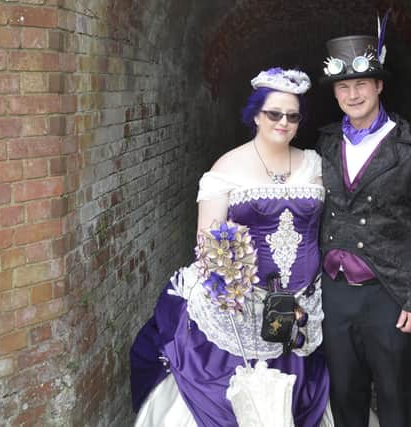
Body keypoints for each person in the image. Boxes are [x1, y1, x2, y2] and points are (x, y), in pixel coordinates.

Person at [130, 67, 333, 427]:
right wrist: (231, 288)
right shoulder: (227, 167)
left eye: (292, 116)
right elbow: (208, 240)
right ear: (256, 114)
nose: (283, 122)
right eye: (274, 114)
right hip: (241, 304)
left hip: (300, 302)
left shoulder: (313, 164)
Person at [316, 25, 411, 427]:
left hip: (387, 292)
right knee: (345, 396)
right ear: (334, 93)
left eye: (361, 85)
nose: (352, 95)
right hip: (335, 295)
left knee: (396, 399)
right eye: (343, 87)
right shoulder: (324, 143)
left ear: (378, 86)